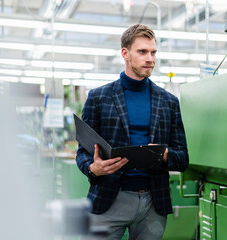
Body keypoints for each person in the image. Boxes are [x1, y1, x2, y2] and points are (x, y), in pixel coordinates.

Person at [76, 23, 189, 240]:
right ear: (125, 54)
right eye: (143, 52)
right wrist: (93, 168)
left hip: (153, 204)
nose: (150, 59)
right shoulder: (98, 98)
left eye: (153, 52)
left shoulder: (169, 102)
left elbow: (183, 157)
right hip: (109, 199)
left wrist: (165, 155)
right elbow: (83, 151)